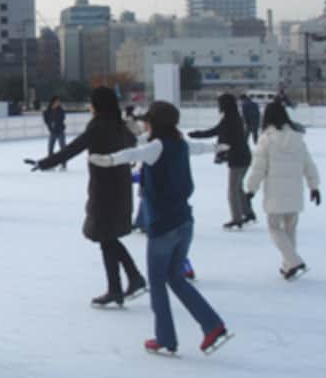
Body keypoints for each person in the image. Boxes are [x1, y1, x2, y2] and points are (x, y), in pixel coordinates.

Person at [88, 101, 232, 355]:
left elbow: (132, 155)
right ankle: (212, 324)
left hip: (164, 225)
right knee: (175, 277)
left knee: (158, 282)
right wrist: (217, 147)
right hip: (185, 222)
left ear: (155, 123)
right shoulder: (180, 144)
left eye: (148, 120)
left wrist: (108, 160)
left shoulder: (157, 146)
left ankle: (165, 337)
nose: (145, 124)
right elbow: (197, 148)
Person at [34, 87, 146, 308]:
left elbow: (73, 148)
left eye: (92, 103)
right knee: (108, 238)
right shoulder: (118, 124)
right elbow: (132, 144)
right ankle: (121, 285)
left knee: (105, 236)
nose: (90, 106)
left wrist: (44, 163)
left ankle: (131, 279)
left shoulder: (98, 125)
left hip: (104, 187)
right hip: (120, 185)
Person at [245, 101, 320, 280]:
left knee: (274, 228)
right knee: (290, 230)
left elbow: (258, 168)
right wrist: (314, 187)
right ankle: (288, 266)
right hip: (294, 192)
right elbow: (308, 164)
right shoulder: (297, 137)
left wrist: (250, 189)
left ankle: (293, 261)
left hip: (275, 193)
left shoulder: (267, 138)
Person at [188, 93, 255, 230]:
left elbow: (216, 131)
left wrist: (197, 134)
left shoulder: (230, 118)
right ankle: (247, 213)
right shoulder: (235, 116)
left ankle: (237, 218)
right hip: (243, 155)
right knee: (238, 187)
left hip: (238, 157)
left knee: (233, 190)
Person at [43, 96, 66, 163]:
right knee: (50, 149)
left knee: (63, 149)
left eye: (59, 102)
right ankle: (50, 163)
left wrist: (55, 122)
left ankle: (63, 164)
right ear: (53, 102)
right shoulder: (47, 111)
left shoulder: (61, 110)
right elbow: (46, 120)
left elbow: (62, 118)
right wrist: (50, 125)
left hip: (60, 131)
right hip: (52, 132)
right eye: (57, 102)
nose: (58, 103)